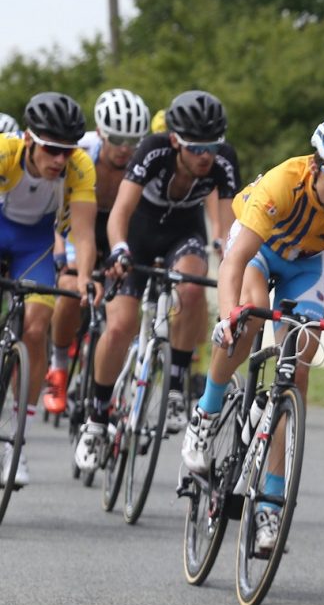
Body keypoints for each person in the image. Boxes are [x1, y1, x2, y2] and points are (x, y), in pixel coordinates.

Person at [180, 109, 324, 552]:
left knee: (298, 368)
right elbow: (233, 261)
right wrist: (226, 316)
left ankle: (270, 504)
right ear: (316, 166)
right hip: (258, 250)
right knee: (250, 314)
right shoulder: (281, 183)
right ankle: (206, 412)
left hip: (304, 265)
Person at [74, 90, 239, 473]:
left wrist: (229, 256)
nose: (206, 156)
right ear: (177, 140)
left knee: (194, 286)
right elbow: (121, 212)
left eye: (213, 146)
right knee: (119, 326)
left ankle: (178, 384)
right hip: (139, 232)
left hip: (185, 231)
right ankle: (97, 420)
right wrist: (117, 249)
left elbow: (228, 225)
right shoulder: (153, 150)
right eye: (197, 147)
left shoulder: (224, 161)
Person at [0, 93, 97, 484]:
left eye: (67, 151)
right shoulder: (6, 153)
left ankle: (15, 443)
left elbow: (85, 234)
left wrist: (86, 277)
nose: (60, 160)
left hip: (35, 246)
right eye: (52, 150)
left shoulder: (79, 167)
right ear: (28, 139)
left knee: (36, 328)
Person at [42, 88, 151, 415]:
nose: (124, 148)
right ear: (101, 132)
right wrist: (65, 257)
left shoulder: (142, 161)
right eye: (117, 138)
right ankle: (59, 364)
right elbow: (55, 211)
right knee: (72, 289)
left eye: (133, 140)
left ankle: (106, 393)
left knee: (122, 316)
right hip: (75, 224)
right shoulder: (79, 154)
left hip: (119, 231)